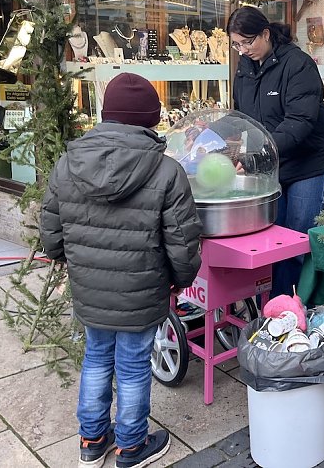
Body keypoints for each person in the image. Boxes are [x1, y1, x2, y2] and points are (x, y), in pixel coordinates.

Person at [40, 73, 203, 468]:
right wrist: (180, 281)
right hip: (142, 290)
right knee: (133, 364)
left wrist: (71, 261)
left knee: (96, 357)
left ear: (106, 114)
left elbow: (51, 235)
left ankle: (92, 440)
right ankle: (131, 446)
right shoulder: (167, 171)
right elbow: (183, 244)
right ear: (151, 119)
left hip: (89, 288)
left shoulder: (67, 164)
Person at [229, 6, 324, 296]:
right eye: (236, 45)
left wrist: (258, 156)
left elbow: (299, 122)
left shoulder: (298, 64)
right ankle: (275, 301)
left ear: (265, 33)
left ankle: (297, 303)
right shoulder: (245, 67)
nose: (243, 50)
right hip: (271, 163)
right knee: (272, 235)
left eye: (247, 42)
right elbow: (241, 115)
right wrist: (214, 136)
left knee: (297, 236)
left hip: (307, 163)